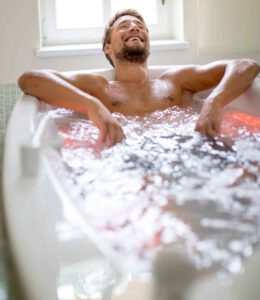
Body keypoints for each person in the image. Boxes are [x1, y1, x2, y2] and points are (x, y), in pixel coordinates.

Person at [18, 9, 260, 147]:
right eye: (123, 26)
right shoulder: (98, 87)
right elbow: (31, 80)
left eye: (140, 25)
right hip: (128, 159)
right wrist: (92, 107)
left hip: (191, 147)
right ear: (107, 48)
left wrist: (215, 101)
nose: (134, 27)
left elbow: (246, 66)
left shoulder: (175, 81)